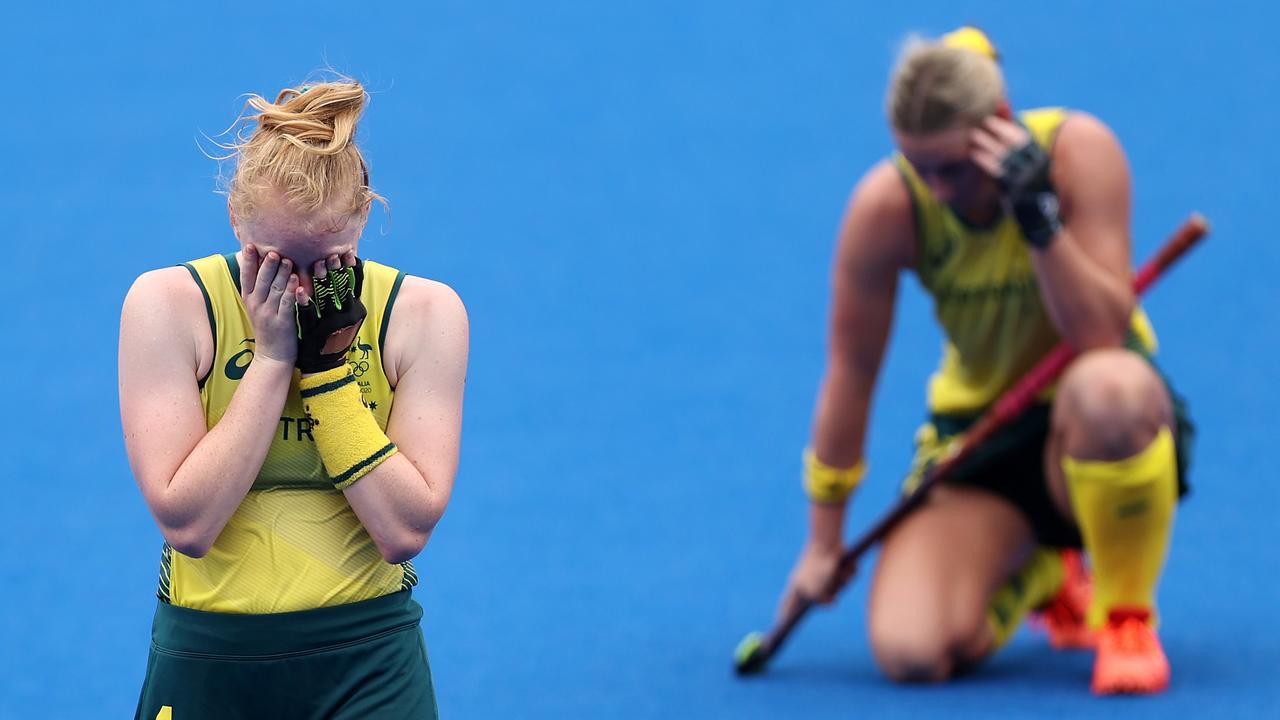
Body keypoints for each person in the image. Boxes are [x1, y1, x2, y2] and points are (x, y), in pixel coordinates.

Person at [773, 27, 1193, 695]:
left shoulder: (1079, 152)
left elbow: (1097, 335)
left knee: (1110, 390)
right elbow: (851, 375)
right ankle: (1043, 574)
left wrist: (1039, 222)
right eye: (919, 166)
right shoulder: (887, 206)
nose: (938, 189)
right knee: (911, 653)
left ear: (999, 125)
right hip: (979, 442)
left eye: (954, 167)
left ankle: (1124, 616)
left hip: (1094, 419)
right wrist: (823, 542)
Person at [119, 77, 467, 719]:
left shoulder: (422, 314)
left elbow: (404, 529)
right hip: (210, 663)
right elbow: (188, 523)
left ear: (364, 215)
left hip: (370, 665)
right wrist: (275, 358)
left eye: (329, 263)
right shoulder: (168, 307)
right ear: (234, 217)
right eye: (276, 263)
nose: (304, 292)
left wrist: (329, 370)